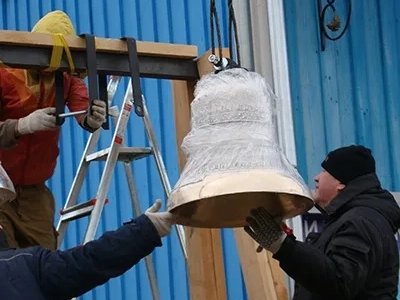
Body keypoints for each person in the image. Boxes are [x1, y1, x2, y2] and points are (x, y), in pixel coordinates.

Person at [0, 10, 107, 250]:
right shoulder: (4, 75)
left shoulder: (66, 79)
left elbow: (83, 110)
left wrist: (92, 117)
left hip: (34, 196)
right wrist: (22, 125)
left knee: (43, 266)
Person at [244, 145, 400, 299]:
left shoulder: (361, 222)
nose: (316, 177)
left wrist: (284, 247)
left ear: (341, 183)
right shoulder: (350, 219)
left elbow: (339, 282)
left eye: (325, 171)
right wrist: (286, 243)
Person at [0, 196, 173, 300]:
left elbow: (90, 261)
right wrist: (144, 230)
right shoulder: (23, 265)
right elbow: (91, 261)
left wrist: (144, 230)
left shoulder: (25, 266)